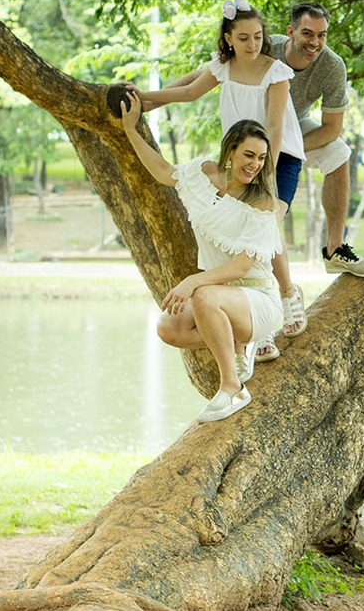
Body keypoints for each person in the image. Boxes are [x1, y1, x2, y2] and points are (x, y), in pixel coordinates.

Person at [131, 0, 309, 364]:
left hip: (277, 157)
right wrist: (144, 100)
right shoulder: (223, 68)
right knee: (237, 232)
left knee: (266, 225)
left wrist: (266, 170)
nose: (252, 44)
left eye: (258, 36)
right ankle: (245, 329)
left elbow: (275, 125)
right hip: (240, 155)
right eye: (243, 37)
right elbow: (188, 91)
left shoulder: (276, 72)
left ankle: (287, 293)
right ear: (228, 39)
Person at [115, 90, 283, 422]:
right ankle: (236, 344)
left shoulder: (261, 201)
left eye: (262, 158)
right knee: (168, 327)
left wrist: (191, 282)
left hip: (258, 298)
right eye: (249, 155)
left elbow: (241, 266)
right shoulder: (202, 175)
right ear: (230, 151)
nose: (255, 164)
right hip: (221, 296)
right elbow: (163, 173)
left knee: (205, 296)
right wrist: (130, 130)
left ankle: (232, 388)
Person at [271, 2, 364, 280]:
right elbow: (213, 72)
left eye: (322, 35)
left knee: (338, 152)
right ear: (290, 32)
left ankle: (336, 251)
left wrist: (281, 148)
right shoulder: (265, 48)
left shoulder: (332, 65)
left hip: (293, 125)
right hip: (252, 122)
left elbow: (331, 129)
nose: (315, 42)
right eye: (308, 33)